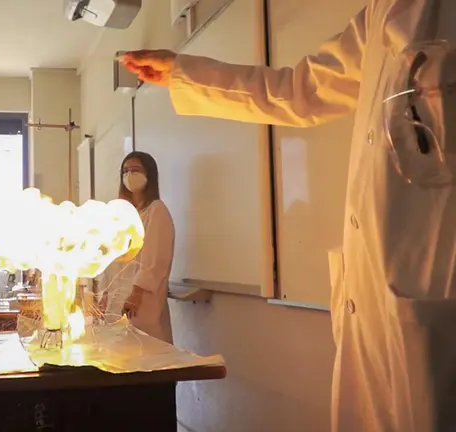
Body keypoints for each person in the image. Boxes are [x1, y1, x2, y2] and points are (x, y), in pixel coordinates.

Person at [120, 2, 456, 430]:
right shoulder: (382, 12)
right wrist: (185, 74)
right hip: (378, 294)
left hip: (434, 282)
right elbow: (302, 89)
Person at [99, 152, 175, 343]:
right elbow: (111, 258)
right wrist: (105, 292)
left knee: (144, 352)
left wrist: (137, 294)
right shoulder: (123, 215)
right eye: (125, 171)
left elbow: (155, 259)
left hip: (141, 302)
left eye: (135, 170)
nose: (129, 175)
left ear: (149, 175)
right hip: (117, 301)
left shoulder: (156, 210)